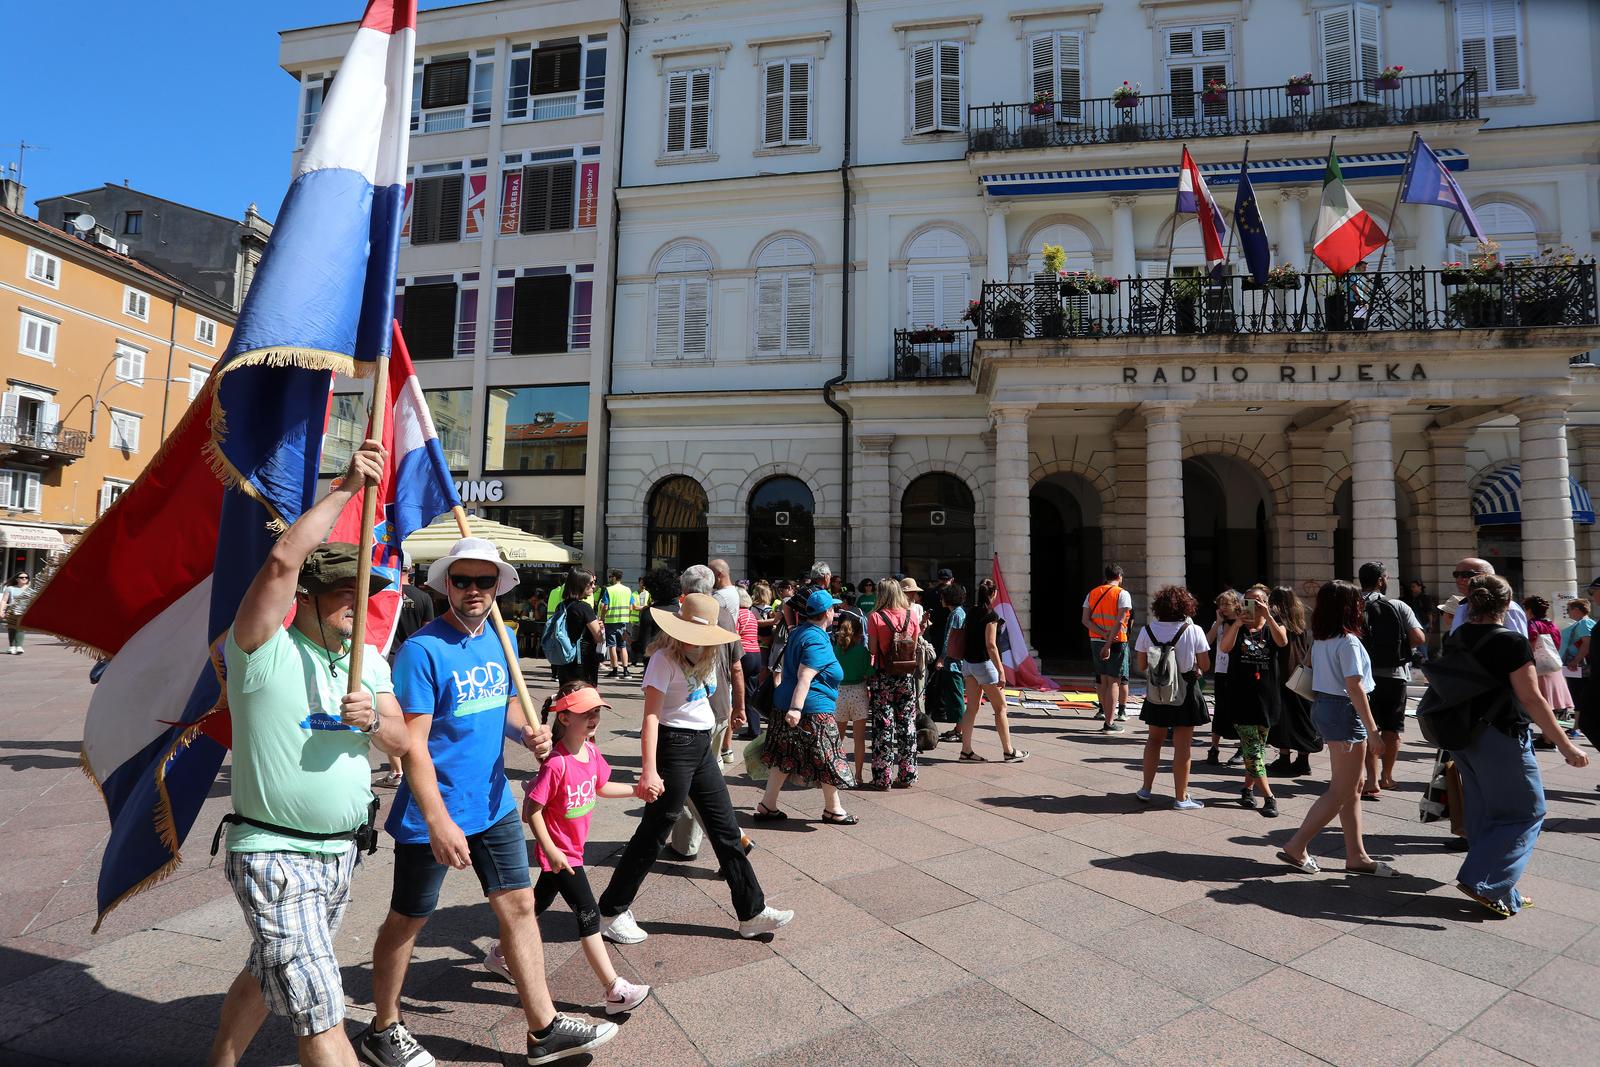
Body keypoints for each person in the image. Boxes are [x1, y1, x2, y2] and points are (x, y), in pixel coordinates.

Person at [362, 537, 614, 1067]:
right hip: (436, 811)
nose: (474, 591)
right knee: (408, 920)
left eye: (484, 581)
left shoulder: (498, 640)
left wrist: (529, 733)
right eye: (462, 581)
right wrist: (437, 822)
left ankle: (543, 1029)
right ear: (445, 585)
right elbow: (412, 746)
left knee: (520, 906)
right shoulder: (423, 650)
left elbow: (498, 709)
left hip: (495, 802)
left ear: (498, 587)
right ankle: (383, 1028)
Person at [206, 441, 414, 1067]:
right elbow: (278, 563)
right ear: (310, 599)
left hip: (341, 854)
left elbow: (404, 739)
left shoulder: (366, 658)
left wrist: (375, 718)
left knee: (273, 975)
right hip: (272, 853)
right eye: (347, 593)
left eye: (366, 591)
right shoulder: (260, 647)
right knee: (323, 1008)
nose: (363, 602)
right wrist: (347, 487)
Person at [597, 593, 793, 943]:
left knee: (725, 829)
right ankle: (612, 910)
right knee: (655, 831)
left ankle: (751, 912)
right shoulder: (662, 659)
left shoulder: (706, 654)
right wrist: (648, 770)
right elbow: (652, 718)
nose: (698, 641)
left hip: (700, 746)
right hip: (674, 748)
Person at [489, 683, 650, 1014]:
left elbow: (601, 786)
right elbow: (530, 811)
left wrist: (636, 790)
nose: (593, 718)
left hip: (568, 852)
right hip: (562, 855)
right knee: (588, 915)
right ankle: (614, 990)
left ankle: (499, 954)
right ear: (564, 717)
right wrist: (551, 850)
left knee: (533, 908)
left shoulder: (590, 753)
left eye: (596, 712)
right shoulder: (556, 765)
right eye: (585, 713)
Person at [1448, 575, 1589, 917]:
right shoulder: (1511, 641)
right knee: (1528, 810)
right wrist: (1566, 746)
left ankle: (1503, 891)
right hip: (1500, 733)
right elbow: (1532, 699)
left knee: (1484, 809)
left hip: (1462, 734)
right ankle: (1483, 880)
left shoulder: (1459, 635)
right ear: (1508, 603)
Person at [1277, 580, 1397, 878]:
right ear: (1351, 607)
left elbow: (1309, 667)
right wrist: (1373, 731)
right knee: (1342, 790)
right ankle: (1296, 845)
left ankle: (1356, 855)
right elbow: (1355, 686)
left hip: (1327, 708)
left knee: (1352, 788)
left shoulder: (1322, 638)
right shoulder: (1348, 642)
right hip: (1344, 712)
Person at [668, 565, 747, 858]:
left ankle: (733, 838)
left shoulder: (681, 619)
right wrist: (738, 706)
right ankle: (684, 844)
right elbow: (737, 666)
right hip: (717, 707)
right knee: (700, 782)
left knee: (694, 788)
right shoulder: (724, 615)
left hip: (686, 713)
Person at [759, 588, 857, 817]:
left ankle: (768, 805)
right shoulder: (816, 639)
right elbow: (805, 677)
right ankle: (834, 809)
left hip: (787, 703)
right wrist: (796, 709)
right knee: (829, 757)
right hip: (811, 710)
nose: (836, 612)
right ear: (826, 612)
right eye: (833, 608)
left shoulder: (801, 631)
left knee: (784, 757)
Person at [1133, 585, 1212, 809]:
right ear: (1186, 606)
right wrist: (1195, 667)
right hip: (1186, 690)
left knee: (1154, 740)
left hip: (1157, 690)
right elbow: (1205, 665)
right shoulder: (1193, 630)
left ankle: (1146, 789)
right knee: (1183, 746)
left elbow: (1141, 665)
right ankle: (1181, 797)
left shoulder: (1147, 630)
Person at [1356, 562, 1427, 800]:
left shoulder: (1352, 605)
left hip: (1361, 677)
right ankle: (1387, 777)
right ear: (1380, 580)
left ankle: (1370, 779)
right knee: (1392, 729)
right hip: (1394, 675)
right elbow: (1418, 637)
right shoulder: (1397, 605)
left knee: (1368, 727)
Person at [1217, 586, 1287, 817]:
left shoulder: (1274, 626)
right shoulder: (1235, 627)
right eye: (1248, 601)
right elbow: (1224, 648)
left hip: (1267, 698)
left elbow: (1282, 642)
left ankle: (1247, 788)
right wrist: (1237, 623)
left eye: (1258, 601)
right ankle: (1269, 797)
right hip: (1240, 697)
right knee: (1253, 749)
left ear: (1267, 602)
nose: (1253, 605)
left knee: (1256, 747)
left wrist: (1267, 617)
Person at [955, 578, 1029, 763]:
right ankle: (1008, 751)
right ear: (993, 594)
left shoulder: (970, 611)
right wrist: (1001, 671)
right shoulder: (991, 615)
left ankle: (966, 751)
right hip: (984, 666)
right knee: (1001, 708)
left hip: (968, 664)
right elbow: (991, 645)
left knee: (971, 708)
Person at [866, 578, 922, 789]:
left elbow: (872, 650)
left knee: (883, 727)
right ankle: (907, 774)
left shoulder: (875, 617)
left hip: (883, 677)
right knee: (907, 725)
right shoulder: (912, 614)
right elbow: (914, 646)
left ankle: (882, 778)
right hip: (906, 677)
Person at [1266, 586, 1321, 777]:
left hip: (1282, 671)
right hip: (1300, 670)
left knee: (1283, 717)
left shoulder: (1276, 619)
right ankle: (1303, 760)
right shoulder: (1299, 618)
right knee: (1301, 716)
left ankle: (1284, 758)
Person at [1082, 565, 1133, 733]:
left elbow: (1086, 620)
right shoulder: (1122, 594)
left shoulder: (1093, 592)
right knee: (1114, 681)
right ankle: (1110, 723)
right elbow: (1119, 622)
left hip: (1096, 640)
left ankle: (1104, 714)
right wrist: (1109, 642)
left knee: (1103, 679)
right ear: (1119, 576)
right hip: (1116, 642)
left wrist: (1102, 634)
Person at [832, 613, 872, 784]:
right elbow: (868, 672)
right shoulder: (863, 651)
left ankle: (835, 772)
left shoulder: (834, 650)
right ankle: (858, 775)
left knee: (836, 738)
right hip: (858, 692)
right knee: (859, 738)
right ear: (858, 634)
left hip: (839, 692)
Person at [1206, 591, 1243, 765]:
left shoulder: (1242, 623)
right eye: (1221, 604)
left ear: (1236, 605)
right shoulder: (1218, 623)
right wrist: (1218, 623)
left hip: (1238, 671)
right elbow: (1207, 642)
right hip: (1221, 670)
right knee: (1220, 709)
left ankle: (1243, 747)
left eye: (1227, 604)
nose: (1223, 608)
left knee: (1239, 709)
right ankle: (1214, 747)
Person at [550, 570, 604, 686]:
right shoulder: (584, 608)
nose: (594, 586)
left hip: (564, 658)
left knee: (567, 694)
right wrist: (600, 628)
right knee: (586, 698)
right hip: (584, 660)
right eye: (591, 583)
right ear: (581, 584)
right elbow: (599, 637)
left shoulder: (561, 606)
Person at [1525, 596, 1574, 722]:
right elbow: (1557, 645)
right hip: (1553, 666)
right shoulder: (1552, 625)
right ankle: (1547, 737)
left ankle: (1547, 739)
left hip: (1539, 668)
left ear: (1529, 610)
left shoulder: (1532, 624)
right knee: (1550, 706)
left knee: (1541, 705)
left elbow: (1532, 642)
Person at [1448, 558, 1528, 635]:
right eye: (1456, 575)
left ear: (1489, 577)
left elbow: (1518, 643)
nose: (1460, 579)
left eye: (1467, 574)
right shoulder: (1462, 607)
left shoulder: (1508, 608)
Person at [933, 583, 969, 735]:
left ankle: (961, 730)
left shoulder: (955, 614)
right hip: (957, 662)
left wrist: (941, 658)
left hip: (953, 663)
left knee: (956, 698)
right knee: (956, 696)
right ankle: (959, 729)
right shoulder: (959, 613)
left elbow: (950, 639)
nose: (941, 599)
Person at [736, 588, 765, 742]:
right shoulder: (752, 615)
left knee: (740, 691)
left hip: (744, 653)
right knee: (751, 692)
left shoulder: (738, 614)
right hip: (756, 653)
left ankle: (741, 723)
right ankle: (755, 728)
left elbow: (734, 635)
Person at [1559, 598, 1593, 732]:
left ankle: (1578, 726)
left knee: (1578, 694)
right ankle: (1579, 725)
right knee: (1579, 694)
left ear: (1577, 610)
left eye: (1569, 610)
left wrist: (1575, 661)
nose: (1568, 613)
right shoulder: (1586, 623)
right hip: (1578, 666)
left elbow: (1587, 643)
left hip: (1577, 667)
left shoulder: (1584, 623)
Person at [599, 570, 634, 679]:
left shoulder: (609, 590)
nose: (610, 579)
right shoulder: (628, 590)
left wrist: (602, 617)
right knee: (623, 646)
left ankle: (614, 671)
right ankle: (625, 671)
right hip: (623, 622)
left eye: (610, 577)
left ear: (614, 578)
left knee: (612, 646)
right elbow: (631, 607)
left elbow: (605, 607)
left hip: (611, 622)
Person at [2, 571, 33, 654]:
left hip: (23, 611)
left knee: (21, 628)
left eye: (26, 577)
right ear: (17, 579)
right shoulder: (10, 588)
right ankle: (12, 647)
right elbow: (4, 600)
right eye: (22, 577)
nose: (24, 579)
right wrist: (1, 610)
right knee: (12, 628)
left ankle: (19, 646)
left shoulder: (30, 590)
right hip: (11, 611)